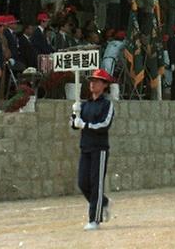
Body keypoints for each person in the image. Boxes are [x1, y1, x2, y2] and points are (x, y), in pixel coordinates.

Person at [71, 69, 115, 231]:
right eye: (91, 81)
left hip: (100, 148)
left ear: (104, 85)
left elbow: (104, 124)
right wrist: (74, 116)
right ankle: (103, 202)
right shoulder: (84, 104)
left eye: (96, 81)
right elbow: (75, 126)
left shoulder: (107, 104)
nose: (92, 83)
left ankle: (94, 219)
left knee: (96, 184)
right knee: (83, 183)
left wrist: (86, 125)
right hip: (86, 147)